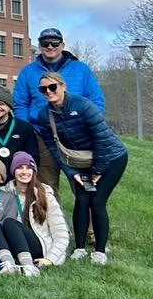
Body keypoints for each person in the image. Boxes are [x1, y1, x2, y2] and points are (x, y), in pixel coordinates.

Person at [39, 71, 126, 264]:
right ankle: (79, 248)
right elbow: (54, 148)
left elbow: (101, 139)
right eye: (43, 89)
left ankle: (100, 251)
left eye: (52, 87)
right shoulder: (45, 114)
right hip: (82, 162)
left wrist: (97, 171)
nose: (48, 91)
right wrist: (72, 172)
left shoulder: (84, 106)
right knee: (81, 200)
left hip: (111, 159)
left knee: (97, 201)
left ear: (63, 87)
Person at [13, 27, 106, 195]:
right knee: (46, 189)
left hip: (76, 137)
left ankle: (87, 222)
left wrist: (87, 127)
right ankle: (52, 221)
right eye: (45, 43)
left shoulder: (81, 69)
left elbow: (97, 102)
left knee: (84, 189)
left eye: (54, 43)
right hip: (42, 136)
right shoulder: (28, 72)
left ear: (62, 45)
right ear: (39, 46)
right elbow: (20, 104)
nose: (50, 46)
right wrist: (28, 129)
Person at [9, 151, 69, 268]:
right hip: (13, 243)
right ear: (13, 171)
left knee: (10, 223)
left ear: (34, 171)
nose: (25, 172)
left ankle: (27, 265)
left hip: (39, 247)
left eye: (29, 168)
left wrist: (50, 259)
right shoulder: (5, 192)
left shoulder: (45, 195)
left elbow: (61, 232)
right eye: (20, 168)